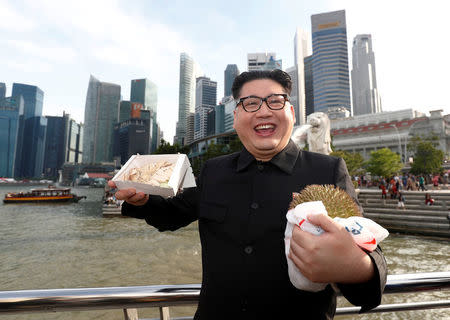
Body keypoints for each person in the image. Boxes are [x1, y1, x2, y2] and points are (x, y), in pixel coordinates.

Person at [108, 70, 387, 319]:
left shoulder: (327, 171)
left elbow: (368, 255)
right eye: (251, 103)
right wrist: (143, 200)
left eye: (275, 101)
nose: (264, 111)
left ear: (290, 111)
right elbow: (172, 214)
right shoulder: (214, 170)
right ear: (237, 116)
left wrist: (355, 267)